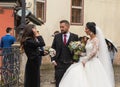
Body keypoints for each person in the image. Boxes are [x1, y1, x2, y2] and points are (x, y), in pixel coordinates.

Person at [59, 22, 115, 87]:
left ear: (90, 29)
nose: (85, 30)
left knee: (93, 80)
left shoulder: (96, 40)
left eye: (86, 29)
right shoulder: (89, 40)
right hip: (86, 60)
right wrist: (81, 53)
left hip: (93, 62)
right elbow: (87, 52)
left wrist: (85, 59)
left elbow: (94, 52)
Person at [51, 20, 78, 87]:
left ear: (68, 26)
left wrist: (75, 61)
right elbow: (52, 49)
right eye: (60, 27)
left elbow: (77, 50)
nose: (61, 29)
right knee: (58, 83)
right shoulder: (57, 36)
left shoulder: (75, 36)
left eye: (63, 27)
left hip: (70, 64)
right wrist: (53, 60)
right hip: (59, 64)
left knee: (70, 83)